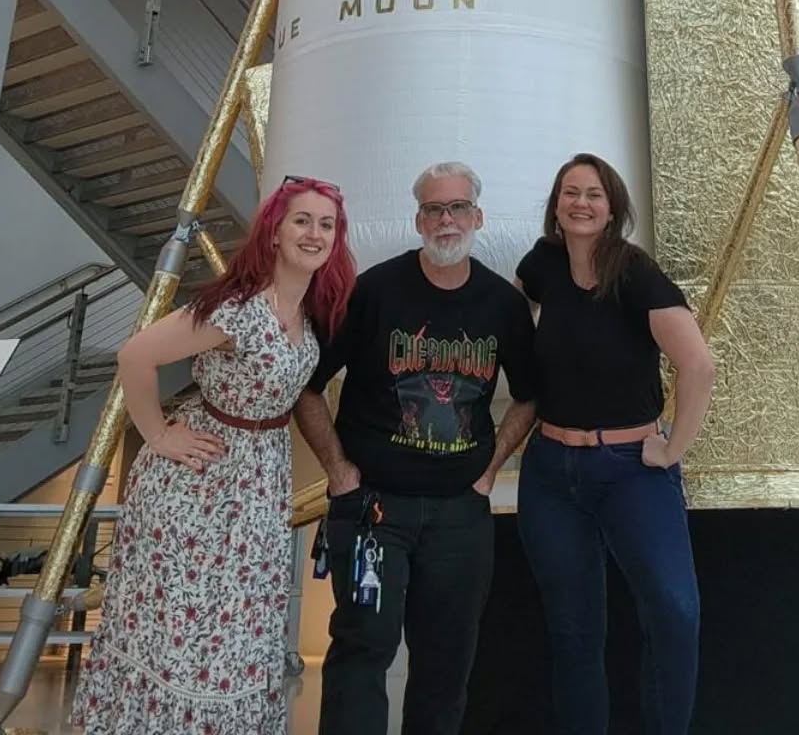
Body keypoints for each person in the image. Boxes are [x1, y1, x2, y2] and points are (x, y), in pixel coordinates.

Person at [75, 178, 355, 735]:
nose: (314, 233)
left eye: (326, 224)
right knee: (184, 628)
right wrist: (157, 434)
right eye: (302, 220)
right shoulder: (238, 308)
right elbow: (136, 355)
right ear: (274, 232)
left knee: (240, 630)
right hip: (200, 486)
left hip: (257, 484)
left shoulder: (308, 314)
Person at [295, 160, 539, 735]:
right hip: (374, 509)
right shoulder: (375, 291)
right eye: (434, 208)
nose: (446, 219)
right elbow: (304, 384)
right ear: (419, 219)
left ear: (476, 216)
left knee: (447, 663)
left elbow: (529, 397)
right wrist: (338, 471)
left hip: (460, 516)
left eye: (457, 208)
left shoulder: (501, 304)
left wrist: (490, 471)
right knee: (362, 652)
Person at [515, 153, 716, 735]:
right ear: (557, 203)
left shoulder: (634, 273)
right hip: (552, 471)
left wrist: (671, 449)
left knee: (675, 614)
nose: (581, 203)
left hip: (630, 468)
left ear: (612, 208)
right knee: (573, 630)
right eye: (570, 192)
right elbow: (507, 312)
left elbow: (697, 366)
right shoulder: (544, 264)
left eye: (594, 194)